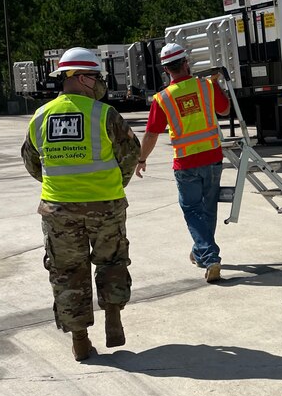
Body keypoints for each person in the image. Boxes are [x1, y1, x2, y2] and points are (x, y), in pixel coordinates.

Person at [21, 46, 140, 361]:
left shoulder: (41, 116)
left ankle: (80, 340)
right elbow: (131, 153)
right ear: (81, 77)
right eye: (96, 77)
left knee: (67, 272)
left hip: (58, 209)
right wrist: (116, 184)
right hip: (106, 206)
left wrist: (60, 183)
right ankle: (113, 316)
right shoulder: (104, 114)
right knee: (112, 262)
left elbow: (31, 162)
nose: (99, 83)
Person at [136, 41, 230, 282]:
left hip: (186, 163)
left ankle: (209, 257)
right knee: (207, 209)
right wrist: (218, 83)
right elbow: (225, 110)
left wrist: (142, 158)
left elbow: (151, 133)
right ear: (186, 63)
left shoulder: (162, 98)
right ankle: (201, 252)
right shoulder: (206, 86)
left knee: (191, 209)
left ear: (166, 70)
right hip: (212, 157)